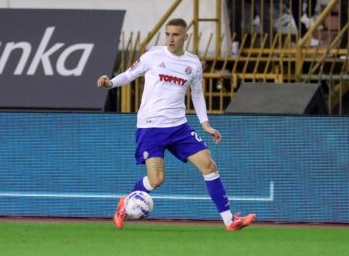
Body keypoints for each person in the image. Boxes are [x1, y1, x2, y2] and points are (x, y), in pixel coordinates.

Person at [97, 18, 256, 231]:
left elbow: (197, 95)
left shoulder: (193, 63)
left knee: (209, 165)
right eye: (168, 34)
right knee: (156, 180)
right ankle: (124, 205)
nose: (171, 38)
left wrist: (205, 124)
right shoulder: (153, 55)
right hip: (151, 127)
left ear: (185, 37)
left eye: (176, 34)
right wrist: (110, 83)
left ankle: (230, 220)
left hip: (179, 127)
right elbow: (129, 74)